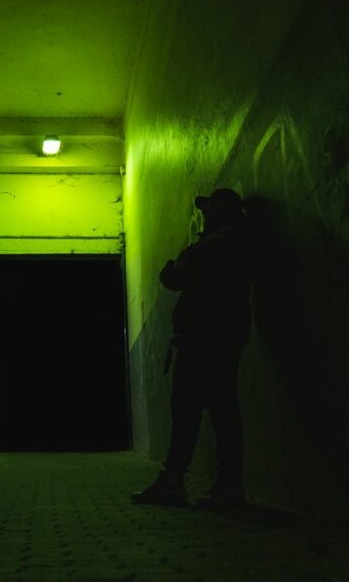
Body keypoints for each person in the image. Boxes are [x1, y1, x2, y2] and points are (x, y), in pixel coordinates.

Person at [132, 187, 252, 509]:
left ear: (224, 210)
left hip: (210, 335)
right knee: (205, 408)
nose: (205, 214)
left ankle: (187, 483)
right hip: (207, 335)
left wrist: (183, 261)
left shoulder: (226, 239)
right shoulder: (221, 241)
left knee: (202, 409)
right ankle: (215, 484)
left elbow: (180, 271)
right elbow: (179, 275)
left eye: (210, 208)